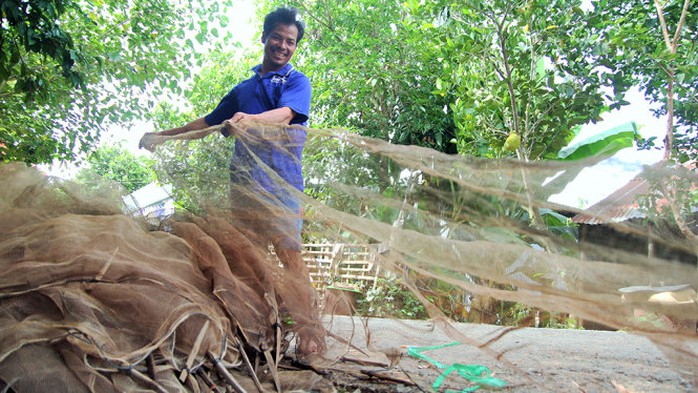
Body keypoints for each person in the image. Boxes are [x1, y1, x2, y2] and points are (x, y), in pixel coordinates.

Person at [139, 7, 325, 359]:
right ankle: (255, 331)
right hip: (243, 189)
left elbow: (286, 116)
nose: (283, 46)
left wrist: (251, 120)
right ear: (264, 37)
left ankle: (309, 332)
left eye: (291, 41)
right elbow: (205, 123)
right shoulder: (242, 91)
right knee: (245, 263)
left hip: (282, 188)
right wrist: (162, 135)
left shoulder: (296, 82)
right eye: (278, 38)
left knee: (291, 258)